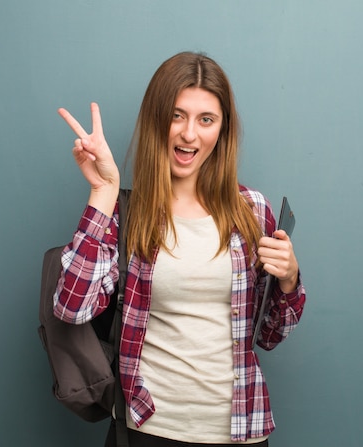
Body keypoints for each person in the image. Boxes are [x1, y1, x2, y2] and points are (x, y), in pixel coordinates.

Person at [54, 52, 306, 446]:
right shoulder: (128, 214)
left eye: (206, 119)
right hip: (149, 428)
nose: (190, 134)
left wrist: (289, 280)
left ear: (221, 130)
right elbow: (72, 306)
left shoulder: (253, 211)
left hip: (241, 431)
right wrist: (102, 192)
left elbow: (270, 336)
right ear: (157, 119)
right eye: (177, 115)